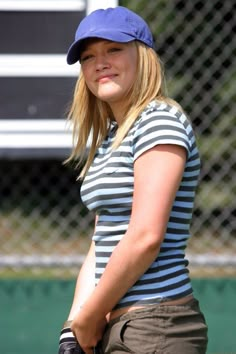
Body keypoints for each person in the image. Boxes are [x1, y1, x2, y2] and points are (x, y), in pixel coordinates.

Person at [58, 6, 208, 354]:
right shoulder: (114, 136)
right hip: (118, 327)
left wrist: (88, 319)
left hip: (155, 326)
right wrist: (73, 327)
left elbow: (145, 238)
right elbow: (102, 239)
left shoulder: (160, 122)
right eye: (88, 56)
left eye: (114, 49)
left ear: (143, 57)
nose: (100, 63)